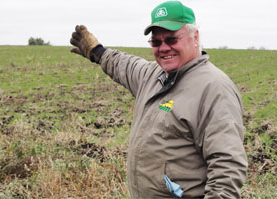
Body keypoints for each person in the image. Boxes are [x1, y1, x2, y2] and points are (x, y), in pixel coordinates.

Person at [69, 1, 247, 198]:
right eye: (156, 42)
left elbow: (227, 167)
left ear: (195, 37)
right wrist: (97, 52)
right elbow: (125, 65)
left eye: (171, 39)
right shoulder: (154, 75)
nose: (163, 48)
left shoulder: (214, 89)